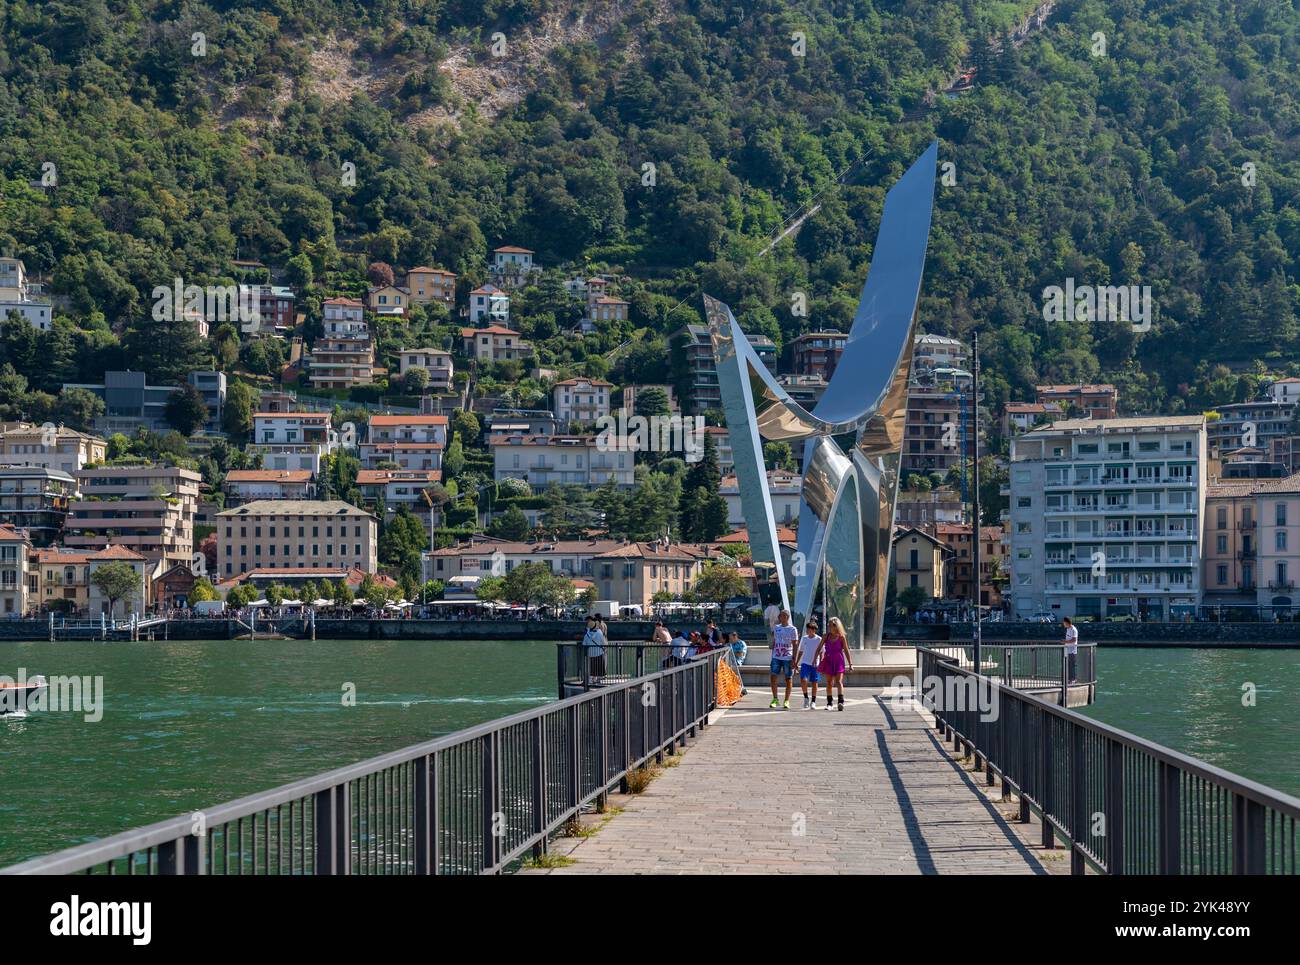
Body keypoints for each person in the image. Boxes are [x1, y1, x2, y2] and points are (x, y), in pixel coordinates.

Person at [817, 616, 853, 711]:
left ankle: (841, 701)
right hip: (828, 660)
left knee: (838, 681)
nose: (829, 627)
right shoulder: (826, 636)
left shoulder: (841, 637)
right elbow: (819, 648)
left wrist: (850, 664)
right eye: (828, 625)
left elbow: (846, 650)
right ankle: (829, 703)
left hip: (839, 661)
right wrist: (814, 659)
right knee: (829, 682)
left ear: (836, 626)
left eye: (830, 625)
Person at [769, 609, 797, 709]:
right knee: (773, 677)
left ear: (787, 617)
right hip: (776, 656)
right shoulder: (776, 628)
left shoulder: (792, 629)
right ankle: (775, 699)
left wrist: (794, 658)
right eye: (780, 616)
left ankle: (786, 700)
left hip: (787, 657)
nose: (780, 617)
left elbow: (795, 644)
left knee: (788, 678)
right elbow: (774, 641)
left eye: (782, 616)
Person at [795, 620, 822, 710]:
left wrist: (821, 663)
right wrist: (796, 662)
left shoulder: (819, 639)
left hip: (815, 664)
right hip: (805, 663)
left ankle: (813, 701)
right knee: (803, 679)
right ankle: (806, 697)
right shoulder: (804, 638)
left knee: (814, 682)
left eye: (809, 629)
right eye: (807, 629)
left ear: (814, 630)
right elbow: (801, 651)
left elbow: (822, 652)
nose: (808, 631)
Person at [582, 614, 607, 683]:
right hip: (599, 652)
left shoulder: (587, 635)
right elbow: (603, 642)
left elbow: (584, 644)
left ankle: (591, 680)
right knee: (599, 666)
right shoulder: (599, 632)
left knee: (591, 667)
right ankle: (598, 680)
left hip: (590, 653)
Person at [1063, 616, 1078, 683]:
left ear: (1067, 622)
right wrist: (1065, 642)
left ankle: (1073, 679)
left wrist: (1065, 642)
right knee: (1068, 665)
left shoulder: (1073, 629)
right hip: (1067, 650)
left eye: (1064, 622)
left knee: (1072, 665)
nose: (1063, 624)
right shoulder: (1068, 629)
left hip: (1072, 651)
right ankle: (1069, 679)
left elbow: (1074, 639)